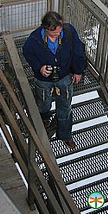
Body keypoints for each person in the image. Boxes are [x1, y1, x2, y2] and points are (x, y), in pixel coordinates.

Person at [23, 11, 86, 149]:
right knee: (43, 104)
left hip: (64, 76)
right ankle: (45, 120)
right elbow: (27, 53)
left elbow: (77, 50)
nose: (58, 34)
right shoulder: (34, 39)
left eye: (60, 30)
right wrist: (39, 67)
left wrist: (78, 70)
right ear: (46, 29)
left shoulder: (69, 31)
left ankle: (65, 135)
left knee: (65, 108)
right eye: (54, 33)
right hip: (43, 79)